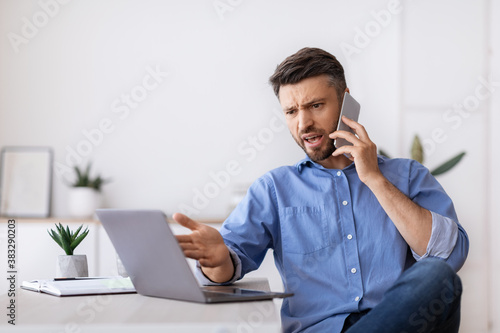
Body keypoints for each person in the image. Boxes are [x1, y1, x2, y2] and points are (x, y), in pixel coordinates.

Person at [173, 47, 469, 332]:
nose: (304, 124)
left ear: (346, 102)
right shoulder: (275, 189)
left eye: (315, 106)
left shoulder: (407, 176)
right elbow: (227, 265)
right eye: (291, 111)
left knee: (437, 276)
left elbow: (447, 256)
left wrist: (375, 180)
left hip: (397, 322)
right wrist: (217, 260)